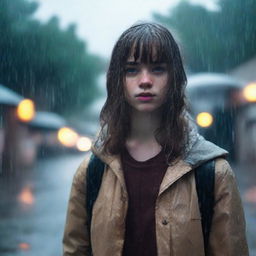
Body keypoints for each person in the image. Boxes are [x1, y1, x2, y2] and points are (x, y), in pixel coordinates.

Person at [63, 22, 248, 256]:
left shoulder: (212, 173)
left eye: (158, 69)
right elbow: (75, 249)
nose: (145, 80)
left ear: (175, 78)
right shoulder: (92, 172)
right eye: (132, 70)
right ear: (117, 80)